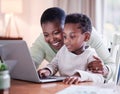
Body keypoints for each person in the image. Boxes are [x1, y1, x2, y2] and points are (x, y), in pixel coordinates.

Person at [30, 7, 114, 81]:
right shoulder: (63, 50)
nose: (66, 41)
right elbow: (54, 64)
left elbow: (97, 76)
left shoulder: (90, 54)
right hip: (66, 86)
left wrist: (80, 76)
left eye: (56, 32)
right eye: (65, 36)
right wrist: (47, 70)